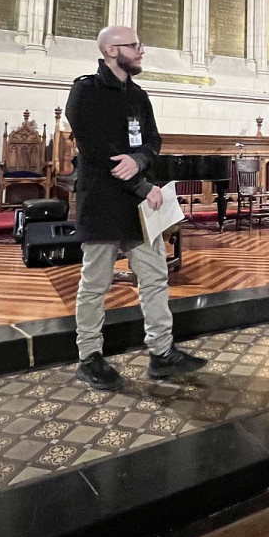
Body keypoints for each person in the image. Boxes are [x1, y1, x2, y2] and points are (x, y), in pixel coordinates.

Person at [66, 25, 206, 389]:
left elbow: (153, 141)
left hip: (139, 206)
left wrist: (141, 159)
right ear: (112, 50)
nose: (141, 50)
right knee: (95, 283)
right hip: (102, 201)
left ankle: (162, 353)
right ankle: (89, 357)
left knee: (155, 277)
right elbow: (95, 148)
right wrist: (141, 183)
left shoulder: (138, 95)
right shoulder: (85, 90)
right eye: (134, 45)